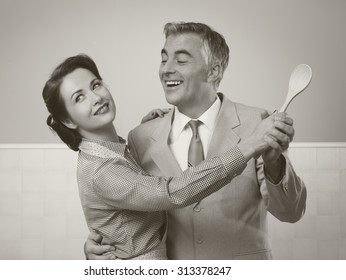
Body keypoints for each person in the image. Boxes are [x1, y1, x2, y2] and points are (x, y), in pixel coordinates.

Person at [85, 22, 307, 260]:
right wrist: (100, 246)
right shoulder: (140, 138)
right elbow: (134, 218)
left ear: (213, 71)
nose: (166, 70)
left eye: (180, 61)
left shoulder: (257, 123)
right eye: (163, 59)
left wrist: (275, 165)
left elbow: (291, 212)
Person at [42, 54, 288, 259]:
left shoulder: (123, 147)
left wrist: (146, 130)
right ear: (67, 120)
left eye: (95, 85)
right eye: (79, 97)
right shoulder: (101, 172)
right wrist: (248, 146)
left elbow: (125, 205)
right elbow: (169, 193)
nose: (96, 98)